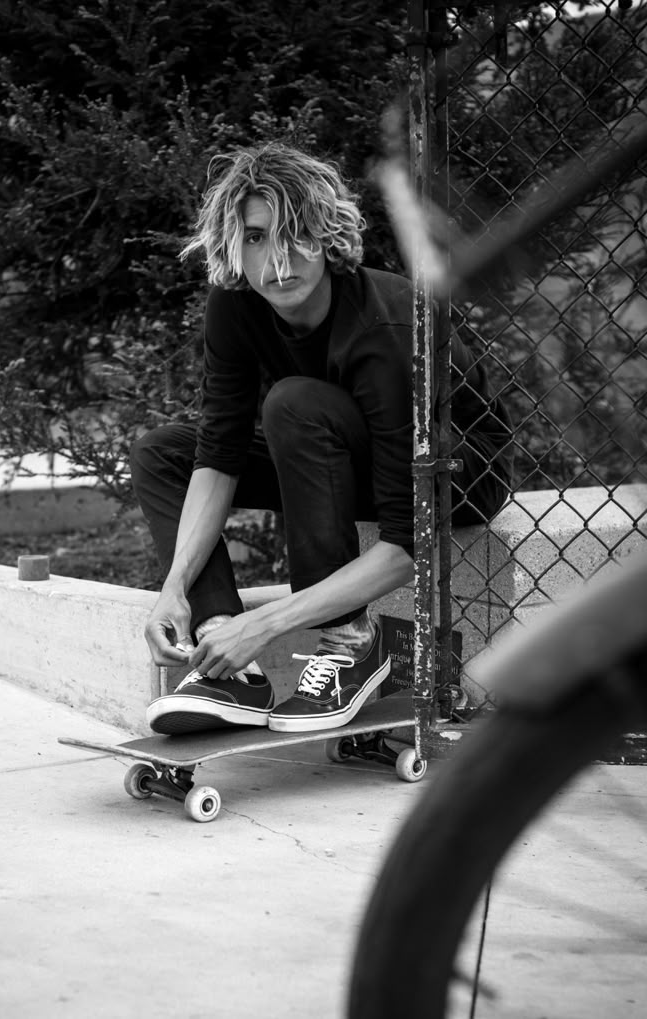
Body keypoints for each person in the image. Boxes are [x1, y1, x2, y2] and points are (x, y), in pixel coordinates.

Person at [129, 141, 512, 736]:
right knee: (165, 451)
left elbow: (405, 546)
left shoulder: (386, 326)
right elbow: (219, 455)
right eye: (255, 238)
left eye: (295, 234)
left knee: (295, 403)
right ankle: (224, 662)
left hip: (459, 471)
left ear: (327, 234)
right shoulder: (236, 305)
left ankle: (349, 646)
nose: (277, 262)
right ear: (232, 244)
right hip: (345, 451)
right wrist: (174, 591)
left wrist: (269, 621)